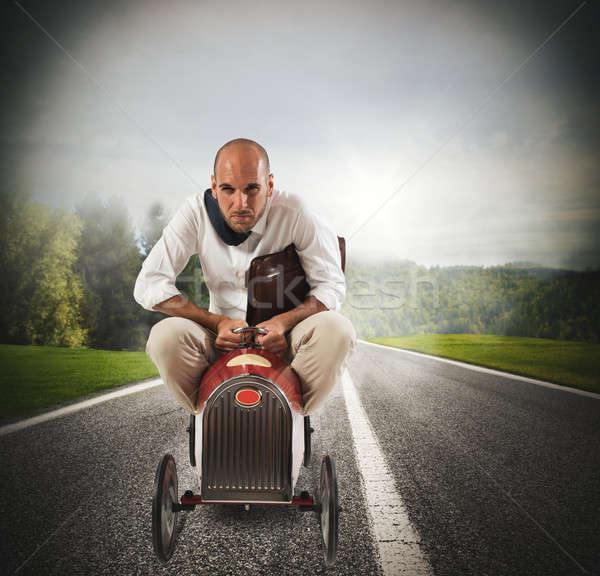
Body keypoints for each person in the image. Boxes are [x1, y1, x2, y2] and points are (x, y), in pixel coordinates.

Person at [133, 138, 355, 415]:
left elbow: (331, 286)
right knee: (163, 336)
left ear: (270, 185)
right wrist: (216, 322)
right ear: (214, 186)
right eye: (227, 189)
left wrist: (283, 324)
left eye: (252, 188)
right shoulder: (194, 212)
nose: (241, 203)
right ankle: (210, 416)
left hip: (285, 342)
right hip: (220, 339)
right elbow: (149, 284)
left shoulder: (295, 211)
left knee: (338, 330)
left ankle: (289, 417)